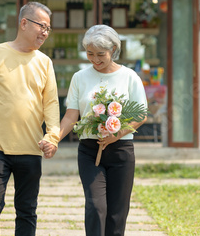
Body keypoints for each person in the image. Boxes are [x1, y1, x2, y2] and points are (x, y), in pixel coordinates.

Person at [0, 1, 61, 236]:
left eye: (48, 28)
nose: (45, 33)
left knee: (27, 210)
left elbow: (51, 104)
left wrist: (53, 136)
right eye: (42, 26)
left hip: (31, 147)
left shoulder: (44, 62)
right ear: (24, 23)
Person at [59, 25, 148, 236]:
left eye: (101, 54)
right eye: (90, 54)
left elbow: (140, 114)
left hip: (121, 151)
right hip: (90, 151)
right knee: (95, 206)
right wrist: (53, 138)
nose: (95, 59)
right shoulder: (79, 78)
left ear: (114, 50)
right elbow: (71, 115)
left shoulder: (129, 77)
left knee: (117, 213)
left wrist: (115, 134)